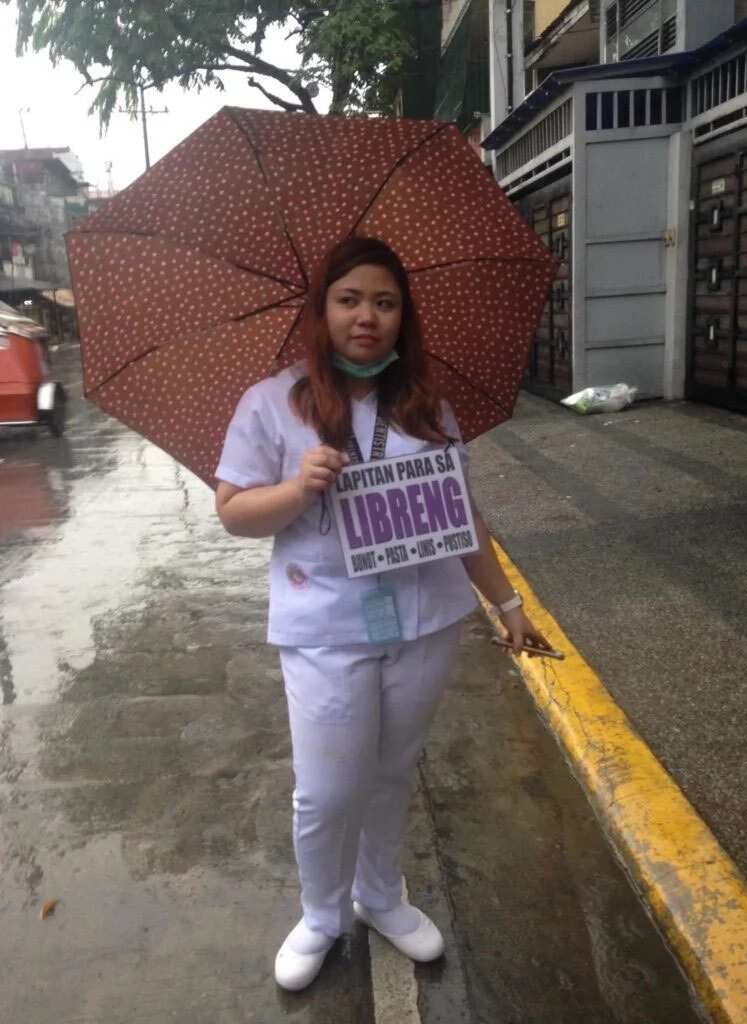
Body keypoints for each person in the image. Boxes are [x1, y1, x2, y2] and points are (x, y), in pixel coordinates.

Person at [215, 236, 552, 992]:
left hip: (425, 619)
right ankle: (322, 913)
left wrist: (508, 603)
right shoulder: (273, 401)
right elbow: (234, 511)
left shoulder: (426, 403)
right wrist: (298, 489)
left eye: (385, 301)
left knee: (394, 771)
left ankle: (380, 894)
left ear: (403, 316)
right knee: (330, 788)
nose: (366, 316)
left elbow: (461, 510)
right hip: (325, 624)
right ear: (322, 310)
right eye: (349, 299)